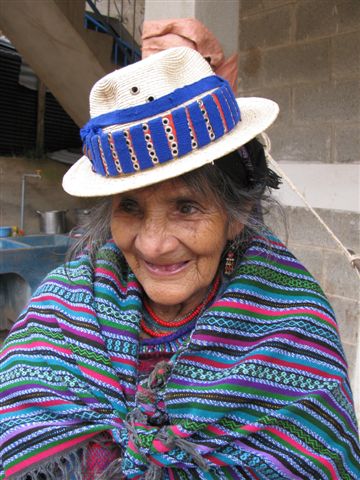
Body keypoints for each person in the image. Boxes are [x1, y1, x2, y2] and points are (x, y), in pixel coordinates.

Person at [0, 47, 359, 480]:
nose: (153, 245)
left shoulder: (292, 325)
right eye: (130, 207)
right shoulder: (63, 305)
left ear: (235, 214)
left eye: (186, 208)